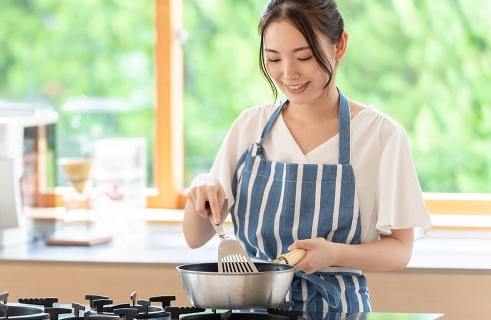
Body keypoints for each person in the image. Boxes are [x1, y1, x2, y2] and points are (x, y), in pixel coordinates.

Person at [182, 0, 433, 315]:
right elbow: (195, 237)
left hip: (339, 309)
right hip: (251, 309)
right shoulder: (251, 127)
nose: (288, 74)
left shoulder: (380, 135)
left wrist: (333, 253)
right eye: (273, 58)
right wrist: (202, 183)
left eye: (304, 57)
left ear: (339, 46)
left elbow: (400, 251)